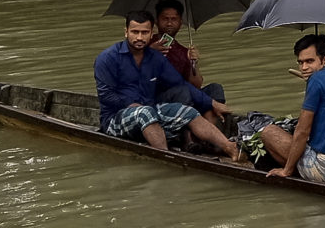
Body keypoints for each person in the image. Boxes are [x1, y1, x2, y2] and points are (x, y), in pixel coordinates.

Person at [93, 11, 240, 159]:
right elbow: (106, 95)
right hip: (115, 119)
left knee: (186, 111)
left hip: (150, 110)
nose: (139, 37)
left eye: (144, 33)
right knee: (144, 113)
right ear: (126, 32)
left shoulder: (155, 58)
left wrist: (211, 102)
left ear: (151, 34)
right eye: (134, 32)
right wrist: (130, 105)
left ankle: (230, 148)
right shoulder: (107, 58)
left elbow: (180, 83)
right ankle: (167, 157)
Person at [259, 34, 325, 184]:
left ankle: (294, 171)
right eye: (300, 62)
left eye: (310, 61)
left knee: (268, 132)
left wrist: (286, 170)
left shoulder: (316, 80)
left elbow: (302, 132)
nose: (304, 67)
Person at [154, 0, 230, 127]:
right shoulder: (149, 45)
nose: (169, 23)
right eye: (165, 19)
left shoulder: (184, 51)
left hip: (186, 96)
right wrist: (151, 53)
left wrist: (193, 63)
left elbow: (196, 85)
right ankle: (190, 136)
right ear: (157, 21)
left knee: (215, 88)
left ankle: (210, 132)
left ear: (180, 22)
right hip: (160, 99)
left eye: (174, 19)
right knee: (182, 91)